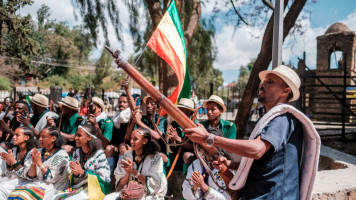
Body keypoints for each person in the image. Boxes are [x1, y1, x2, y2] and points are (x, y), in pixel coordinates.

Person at [184, 65, 316, 199]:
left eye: (270, 82)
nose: (262, 85)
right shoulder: (271, 118)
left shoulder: (282, 119)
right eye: (264, 81)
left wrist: (209, 138)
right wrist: (230, 164)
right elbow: (265, 162)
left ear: (285, 91)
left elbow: (257, 150)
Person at [104, 127, 167, 200]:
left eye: (135, 139)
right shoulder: (126, 156)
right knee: (108, 198)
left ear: (145, 141)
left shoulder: (155, 158)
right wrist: (127, 174)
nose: (131, 141)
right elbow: (119, 186)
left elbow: (155, 185)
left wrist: (133, 172)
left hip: (149, 195)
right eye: (131, 138)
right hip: (129, 193)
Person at [8, 126, 70, 199]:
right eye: (39, 136)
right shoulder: (37, 151)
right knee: (14, 194)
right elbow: (30, 176)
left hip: (54, 186)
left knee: (24, 195)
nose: (40, 139)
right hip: (37, 183)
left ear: (53, 138)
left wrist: (39, 163)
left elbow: (51, 178)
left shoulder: (61, 155)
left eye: (43, 137)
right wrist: (33, 164)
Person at [53, 124, 111, 200]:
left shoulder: (99, 155)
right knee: (55, 197)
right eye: (76, 135)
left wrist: (83, 172)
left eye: (79, 135)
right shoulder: (77, 152)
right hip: (79, 188)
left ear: (89, 137)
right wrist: (76, 175)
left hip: (93, 190)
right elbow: (74, 180)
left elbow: (103, 181)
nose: (75, 138)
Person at [182, 128, 234, 200]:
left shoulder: (225, 168)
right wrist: (195, 188)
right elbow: (185, 192)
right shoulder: (195, 164)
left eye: (204, 143)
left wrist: (204, 187)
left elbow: (229, 198)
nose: (199, 147)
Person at [166, 98, 197, 200]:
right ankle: (167, 189)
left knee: (186, 156)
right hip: (177, 156)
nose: (181, 113)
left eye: (184, 110)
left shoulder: (195, 125)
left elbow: (194, 147)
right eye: (180, 110)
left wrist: (178, 139)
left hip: (190, 158)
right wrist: (173, 139)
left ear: (190, 112)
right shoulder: (175, 124)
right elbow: (172, 148)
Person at [0, 127, 38, 198]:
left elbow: (28, 177)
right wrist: (9, 164)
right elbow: (9, 173)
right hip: (14, 179)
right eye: (14, 135)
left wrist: (13, 162)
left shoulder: (32, 153)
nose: (14, 137)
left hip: (27, 183)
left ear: (26, 137)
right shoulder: (14, 150)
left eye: (17, 135)